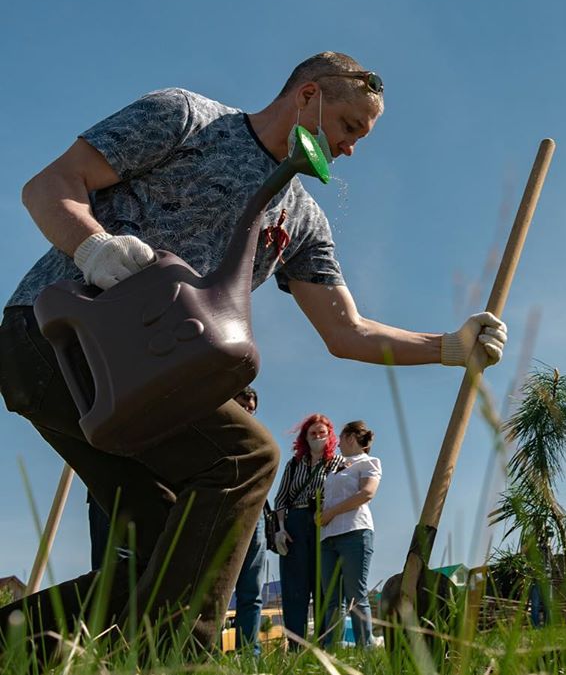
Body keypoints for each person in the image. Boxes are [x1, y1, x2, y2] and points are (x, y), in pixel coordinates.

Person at [0, 51, 508, 659]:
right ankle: (179, 658)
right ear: (308, 96)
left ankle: (21, 646)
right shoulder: (185, 119)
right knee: (244, 458)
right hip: (53, 339)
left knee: (177, 548)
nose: (351, 149)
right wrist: (96, 250)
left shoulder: (301, 220)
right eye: (349, 127)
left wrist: (448, 347)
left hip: (145, 376)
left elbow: (345, 330)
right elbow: (48, 186)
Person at [272, 414, 345, 648]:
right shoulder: (294, 464)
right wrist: (280, 529)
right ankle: (295, 646)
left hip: (323, 523)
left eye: (322, 433)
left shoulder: (337, 462)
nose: (317, 437)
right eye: (313, 433)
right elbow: (281, 499)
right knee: (294, 588)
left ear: (330, 436)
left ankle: (326, 646)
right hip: (294, 523)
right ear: (305, 437)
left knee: (324, 584)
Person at [317, 419, 380, 649]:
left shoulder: (368, 462)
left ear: (351, 438)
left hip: (355, 532)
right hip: (328, 537)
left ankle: (365, 649)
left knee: (356, 595)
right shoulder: (335, 465)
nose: (337, 444)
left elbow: (367, 493)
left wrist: (332, 511)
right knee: (332, 598)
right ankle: (332, 651)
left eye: (341, 438)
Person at [230, 387, 267, 656]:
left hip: (255, 517)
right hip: (223, 513)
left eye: (251, 407)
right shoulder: (214, 432)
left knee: (251, 590)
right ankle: (199, 648)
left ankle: (248, 654)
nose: (248, 409)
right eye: (242, 404)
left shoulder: (259, 438)